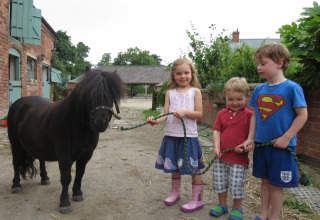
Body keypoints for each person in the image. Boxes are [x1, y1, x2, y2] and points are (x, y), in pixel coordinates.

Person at [237, 42, 308, 220]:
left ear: (279, 62)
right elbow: (255, 116)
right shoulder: (259, 90)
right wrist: (250, 138)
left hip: (282, 147)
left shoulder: (292, 88)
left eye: (263, 63)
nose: (258, 67)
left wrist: (286, 137)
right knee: (265, 182)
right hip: (262, 145)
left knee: (277, 185)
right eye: (258, 64)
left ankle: (274, 217)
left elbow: (302, 115)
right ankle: (263, 215)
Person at [147, 57, 205, 213]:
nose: (183, 76)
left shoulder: (195, 92)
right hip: (171, 136)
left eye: (186, 72)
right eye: (179, 73)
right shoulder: (169, 93)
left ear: (192, 73)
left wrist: (185, 112)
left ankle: (197, 199)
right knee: (174, 167)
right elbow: (165, 114)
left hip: (189, 138)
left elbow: (199, 115)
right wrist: (155, 121)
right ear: (173, 75)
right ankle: (175, 193)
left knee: (194, 169)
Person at [209, 77, 252, 220]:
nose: (234, 103)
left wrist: (246, 145)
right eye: (230, 99)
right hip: (221, 157)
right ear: (225, 97)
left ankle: (237, 208)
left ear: (247, 96)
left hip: (239, 159)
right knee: (220, 182)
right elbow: (216, 130)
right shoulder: (221, 114)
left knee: (236, 184)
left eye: (239, 99)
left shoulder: (250, 115)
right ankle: (222, 205)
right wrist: (216, 147)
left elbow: (252, 136)